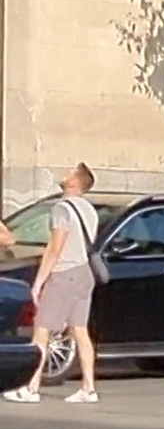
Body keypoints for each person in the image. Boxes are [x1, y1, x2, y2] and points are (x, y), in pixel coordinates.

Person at [5, 163, 101, 404]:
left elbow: (55, 248)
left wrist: (38, 282)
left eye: (70, 172)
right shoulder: (89, 209)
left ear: (74, 182)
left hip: (64, 273)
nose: (64, 174)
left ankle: (31, 387)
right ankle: (89, 389)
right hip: (84, 274)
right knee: (80, 330)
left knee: (42, 329)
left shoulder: (62, 208)